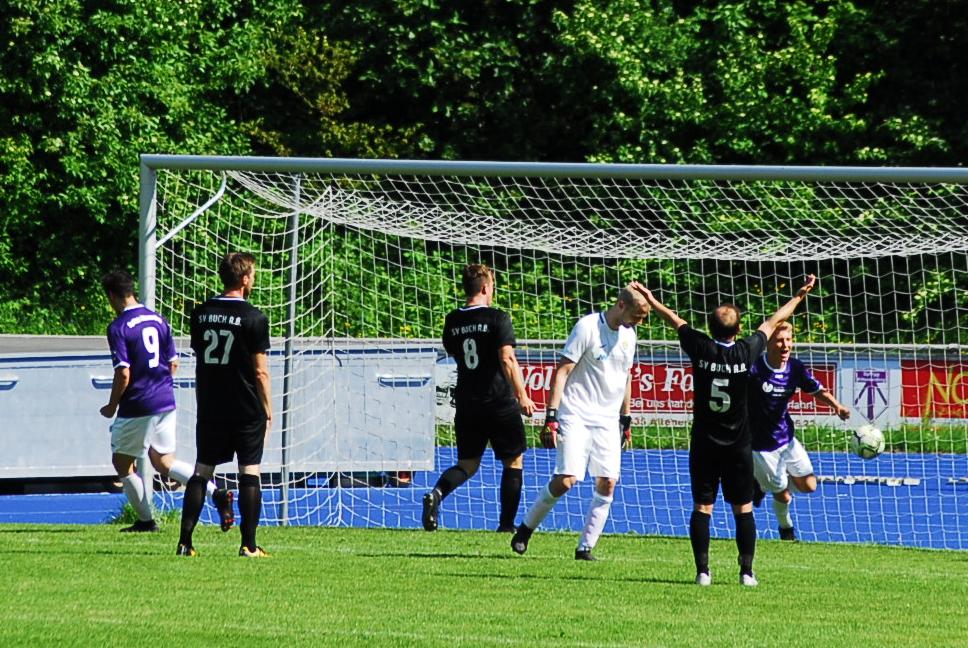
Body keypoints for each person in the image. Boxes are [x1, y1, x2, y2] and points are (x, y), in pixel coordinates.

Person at [634, 275, 816, 586]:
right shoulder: (747, 352)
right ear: (739, 330)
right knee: (742, 508)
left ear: (710, 328)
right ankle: (746, 572)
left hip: (704, 443)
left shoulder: (701, 348)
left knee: (702, 507)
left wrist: (651, 300)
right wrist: (798, 297)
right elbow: (774, 320)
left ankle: (703, 572)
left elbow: (674, 320)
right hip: (737, 445)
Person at [510, 283, 650, 560]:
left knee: (608, 482)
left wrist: (626, 417)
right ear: (621, 305)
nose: (639, 322)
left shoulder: (630, 335)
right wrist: (551, 415)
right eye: (637, 315)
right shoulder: (587, 327)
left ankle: (585, 548)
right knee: (566, 480)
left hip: (608, 419)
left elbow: (626, 377)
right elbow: (563, 370)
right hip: (575, 413)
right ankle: (525, 529)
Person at [99, 270, 233, 533]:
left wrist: (112, 404)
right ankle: (216, 494)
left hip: (138, 404)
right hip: (165, 400)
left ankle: (146, 520)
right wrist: (159, 386)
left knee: (122, 463)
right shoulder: (158, 319)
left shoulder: (118, 327)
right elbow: (173, 362)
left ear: (113, 296)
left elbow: (123, 372)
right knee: (164, 462)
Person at [422, 264, 536, 533]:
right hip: (498, 401)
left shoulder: (453, 320)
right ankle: (506, 525)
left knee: (467, 464)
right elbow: (507, 358)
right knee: (513, 461)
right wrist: (522, 395)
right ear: (486, 287)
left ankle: (437, 493)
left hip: (467, 402)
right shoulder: (498, 318)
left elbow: (455, 352)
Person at [177, 252, 272, 558]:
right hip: (245, 406)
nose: (254, 280)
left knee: (201, 471)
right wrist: (268, 408)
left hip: (211, 405)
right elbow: (260, 371)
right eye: (253, 275)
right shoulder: (254, 318)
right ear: (245, 279)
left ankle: (185, 543)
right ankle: (249, 545)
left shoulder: (201, 313)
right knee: (250, 472)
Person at [749, 321, 851, 541]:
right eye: (779, 340)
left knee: (809, 486)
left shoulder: (794, 367)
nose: (785, 346)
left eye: (788, 340)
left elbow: (816, 389)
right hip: (761, 446)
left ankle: (761, 482)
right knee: (783, 495)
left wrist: (837, 406)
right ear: (767, 343)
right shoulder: (754, 368)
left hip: (786, 438)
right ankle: (786, 529)